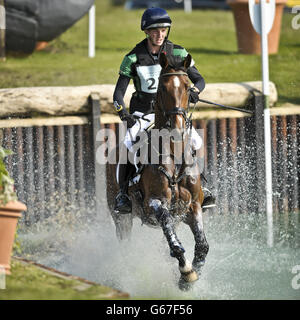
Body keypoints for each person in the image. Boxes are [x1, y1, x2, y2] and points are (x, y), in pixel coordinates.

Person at [112, 7, 215, 214]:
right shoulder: (133, 58)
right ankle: (123, 193)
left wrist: (195, 90)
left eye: (163, 30)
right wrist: (124, 114)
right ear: (146, 32)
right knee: (127, 143)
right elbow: (117, 94)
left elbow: (199, 80)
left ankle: (203, 186)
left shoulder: (178, 52)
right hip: (144, 114)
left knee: (196, 141)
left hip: (172, 113)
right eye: (154, 31)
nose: (159, 35)